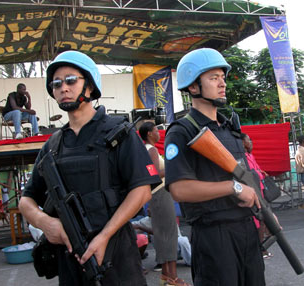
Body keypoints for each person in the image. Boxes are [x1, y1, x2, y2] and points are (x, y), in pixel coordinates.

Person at [19, 50, 161, 285]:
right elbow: (27, 199)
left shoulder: (119, 133)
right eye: (56, 84)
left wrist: (103, 237)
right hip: (70, 258)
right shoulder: (52, 146)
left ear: (90, 86)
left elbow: (142, 191)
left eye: (71, 80)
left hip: (117, 254)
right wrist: (46, 222)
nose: (63, 87)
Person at [164, 48, 265, 286]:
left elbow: (246, 175)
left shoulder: (229, 128)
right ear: (193, 87)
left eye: (222, 77)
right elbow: (179, 190)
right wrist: (233, 188)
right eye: (213, 78)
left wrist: (265, 213)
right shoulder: (182, 132)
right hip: (214, 234)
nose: (222, 84)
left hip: (247, 229)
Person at [138, 122, 190, 286]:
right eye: (155, 130)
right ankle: (172, 278)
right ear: (148, 134)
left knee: (163, 234)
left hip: (156, 196)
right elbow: (153, 175)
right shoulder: (151, 150)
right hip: (160, 194)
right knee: (169, 235)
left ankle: (167, 277)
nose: (158, 132)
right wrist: (173, 168)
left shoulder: (145, 150)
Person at [241, 133, 272, 259]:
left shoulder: (250, 155)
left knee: (263, 221)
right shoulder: (242, 158)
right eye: (249, 140)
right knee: (259, 221)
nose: (251, 142)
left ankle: (261, 248)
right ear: (242, 143)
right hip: (253, 192)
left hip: (260, 190)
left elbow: (257, 171)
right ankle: (260, 250)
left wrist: (261, 172)